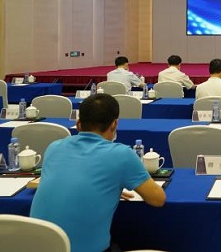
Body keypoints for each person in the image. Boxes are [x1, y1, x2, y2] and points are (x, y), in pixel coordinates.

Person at [30, 94, 166, 252]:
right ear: (114, 124)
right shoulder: (121, 154)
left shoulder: (54, 148)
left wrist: (110, 187)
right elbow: (158, 199)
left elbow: (70, 182)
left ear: (78, 123)